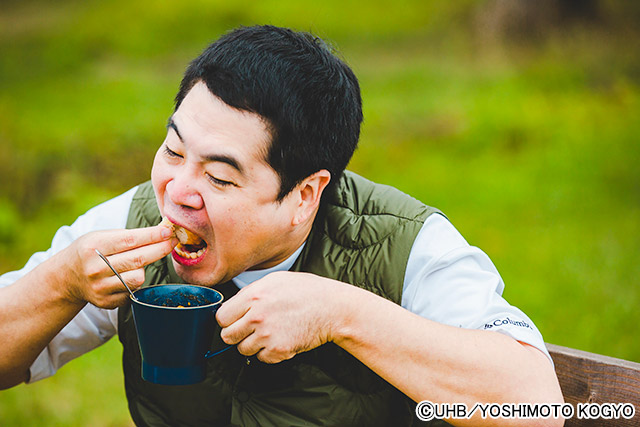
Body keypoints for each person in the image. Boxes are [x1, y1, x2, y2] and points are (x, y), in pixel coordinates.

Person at [0, 25, 563, 426]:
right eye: (173, 151)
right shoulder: (131, 224)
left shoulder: (407, 244)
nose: (178, 192)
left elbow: (534, 405)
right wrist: (59, 282)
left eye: (220, 178)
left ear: (305, 195)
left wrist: (342, 313)